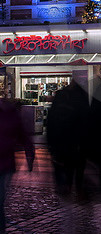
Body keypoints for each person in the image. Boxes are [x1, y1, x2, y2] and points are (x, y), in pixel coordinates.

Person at [47, 80, 89, 195]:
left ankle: (66, 187)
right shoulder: (82, 98)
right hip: (78, 142)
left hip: (62, 141)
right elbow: (87, 122)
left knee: (65, 166)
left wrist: (50, 144)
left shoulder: (60, 97)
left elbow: (51, 121)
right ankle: (78, 188)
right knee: (78, 167)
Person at [0, 99, 35, 232]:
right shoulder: (10, 112)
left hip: (5, 164)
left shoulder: (10, 113)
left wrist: (30, 153)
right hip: (6, 163)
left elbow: (22, 134)